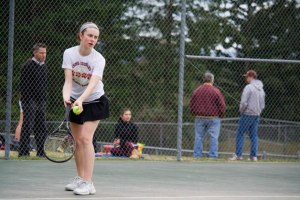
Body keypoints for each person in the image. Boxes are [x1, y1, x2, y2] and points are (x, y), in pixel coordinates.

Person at [62, 22, 109, 195]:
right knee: (77, 141)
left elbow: (92, 84)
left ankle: (89, 183)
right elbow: (68, 81)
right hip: (75, 101)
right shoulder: (69, 53)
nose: (93, 39)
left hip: (94, 100)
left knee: (85, 139)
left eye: (95, 37)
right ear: (81, 35)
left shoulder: (98, 59)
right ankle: (80, 178)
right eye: (89, 35)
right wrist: (66, 97)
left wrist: (81, 99)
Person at [18, 43, 48, 158]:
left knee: (41, 127)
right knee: (28, 126)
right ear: (35, 53)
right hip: (29, 101)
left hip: (40, 101)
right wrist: (29, 101)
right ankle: (24, 152)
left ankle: (41, 152)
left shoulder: (44, 66)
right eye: (41, 53)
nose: (44, 55)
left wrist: (43, 100)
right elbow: (24, 85)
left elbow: (44, 85)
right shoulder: (28, 65)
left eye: (45, 53)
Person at [230, 70, 265, 161]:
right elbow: (262, 105)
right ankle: (253, 156)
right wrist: (258, 112)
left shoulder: (248, 87)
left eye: (246, 77)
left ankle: (238, 155)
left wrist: (241, 110)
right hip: (256, 115)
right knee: (254, 135)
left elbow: (244, 102)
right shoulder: (261, 89)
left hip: (247, 114)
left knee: (240, 134)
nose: (246, 78)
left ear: (251, 77)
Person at [190, 71, 226, 158]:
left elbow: (192, 104)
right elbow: (222, 105)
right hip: (213, 118)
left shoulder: (197, 90)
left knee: (198, 137)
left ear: (204, 80)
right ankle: (213, 156)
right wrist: (220, 115)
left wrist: (194, 113)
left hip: (200, 117)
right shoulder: (216, 91)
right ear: (212, 80)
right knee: (213, 137)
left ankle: (197, 155)